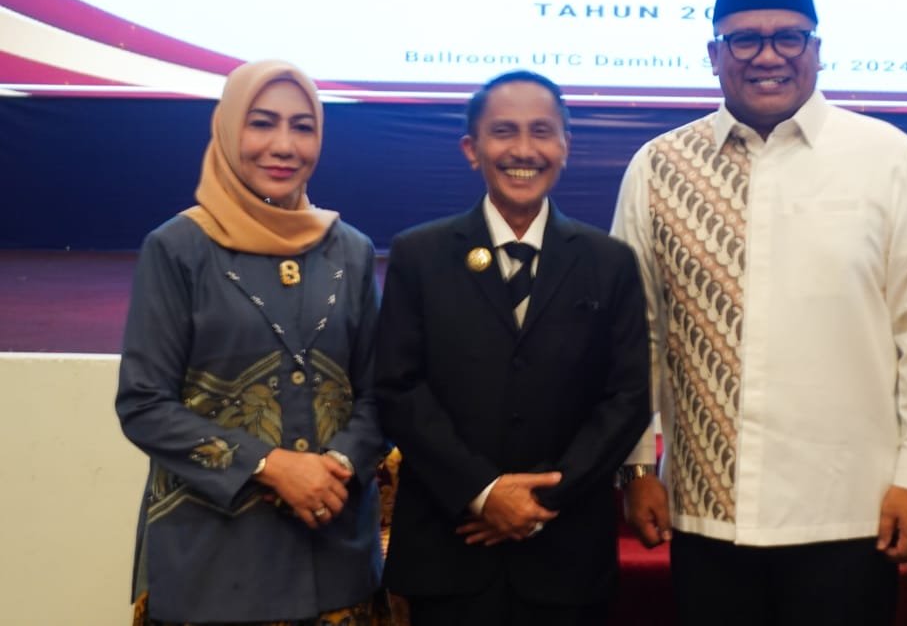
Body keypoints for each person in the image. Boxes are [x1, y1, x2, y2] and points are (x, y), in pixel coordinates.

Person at [611, 0, 907, 625]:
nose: (768, 55)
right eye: (745, 38)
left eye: (789, 37)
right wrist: (635, 467)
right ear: (714, 54)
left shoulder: (887, 159)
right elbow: (636, 335)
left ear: (818, 51)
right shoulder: (658, 166)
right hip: (708, 514)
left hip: (850, 511)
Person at [374, 70, 651, 626]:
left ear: (565, 148)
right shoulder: (420, 255)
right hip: (451, 552)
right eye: (504, 132)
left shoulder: (609, 262)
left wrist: (541, 500)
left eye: (541, 132)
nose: (523, 150)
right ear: (472, 149)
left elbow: (626, 398)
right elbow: (398, 389)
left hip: (567, 555)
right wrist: (482, 491)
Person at [115, 60, 386, 624]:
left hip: (336, 559)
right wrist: (269, 464)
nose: (283, 145)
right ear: (227, 127)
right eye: (261, 123)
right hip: (212, 564)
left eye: (302, 126)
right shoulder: (179, 249)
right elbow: (144, 404)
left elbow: (383, 391)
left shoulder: (350, 251)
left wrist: (333, 465)